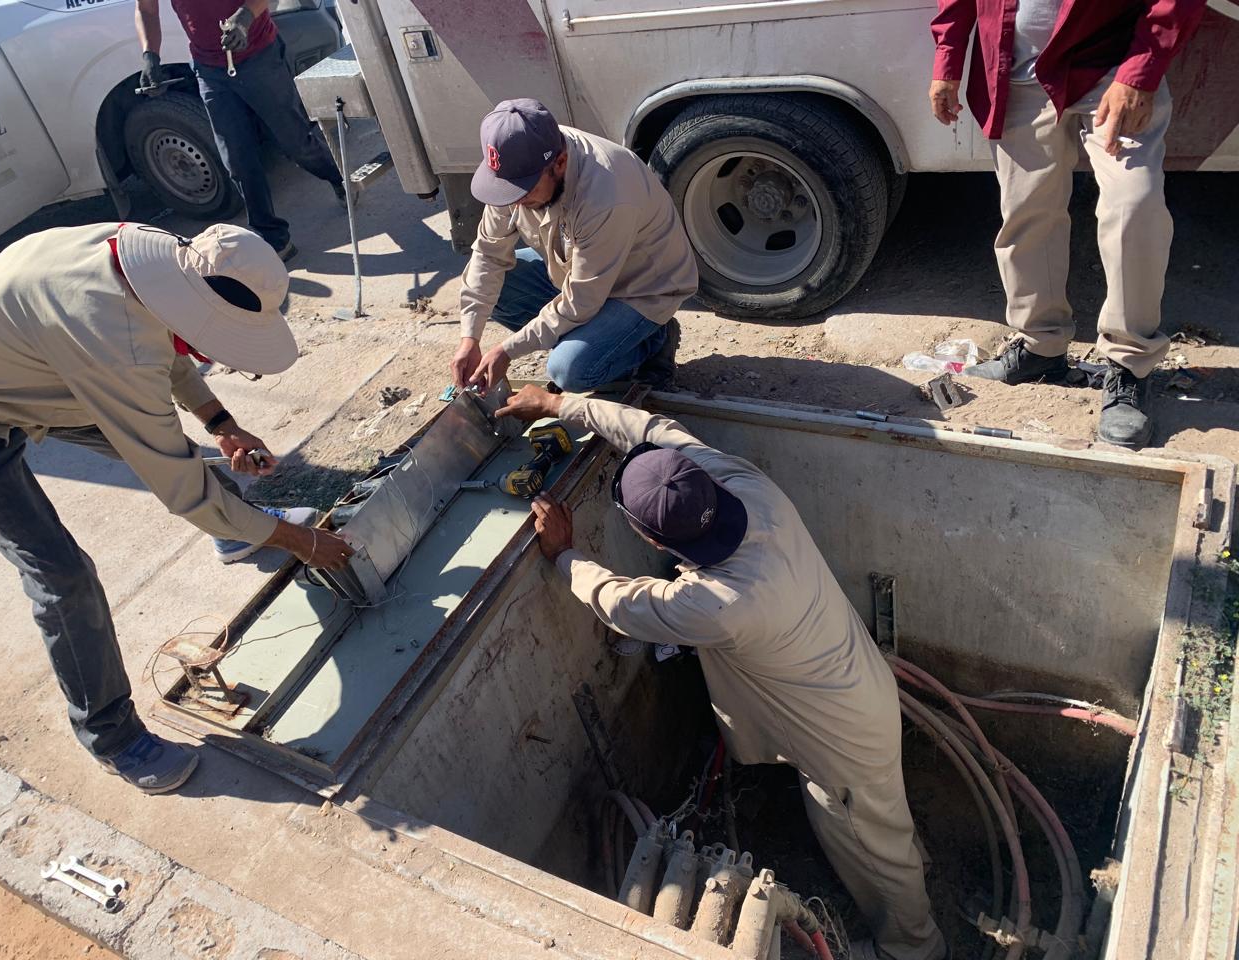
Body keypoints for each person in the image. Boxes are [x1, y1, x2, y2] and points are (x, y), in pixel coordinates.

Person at [497, 384, 947, 960]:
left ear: (652, 538)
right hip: (855, 693)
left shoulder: (720, 603)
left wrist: (565, 555)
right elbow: (653, 430)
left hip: (842, 742)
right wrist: (560, 404)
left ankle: (916, 948)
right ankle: (911, 868)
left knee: (871, 848)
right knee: (881, 826)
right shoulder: (744, 487)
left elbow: (621, 603)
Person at [0, 222, 356, 794]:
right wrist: (300, 541)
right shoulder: (110, 341)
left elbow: (159, 340)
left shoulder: (152, 266)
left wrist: (220, 423)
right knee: (62, 577)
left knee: (169, 447)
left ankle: (237, 532)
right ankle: (111, 736)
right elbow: (181, 485)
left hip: (30, 368)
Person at [929, 0, 1207, 448]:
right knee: (1025, 214)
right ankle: (1041, 347)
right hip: (1014, 74)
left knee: (1134, 207)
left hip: (1110, 67)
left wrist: (1140, 71)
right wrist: (948, 60)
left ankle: (1129, 365)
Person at [452, 99, 698, 395]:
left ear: (560, 163)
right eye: (506, 191)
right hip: (577, 272)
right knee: (499, 287)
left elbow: (582, 300)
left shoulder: (606, 193)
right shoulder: (518, 165)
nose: (513, 202)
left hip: (640, 288)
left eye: (523, 192)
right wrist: (470, 338)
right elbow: (488, 256)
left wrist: (506, 351)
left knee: (569, 370)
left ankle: (653, 341)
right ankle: (595, 338)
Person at [135, 0, 347, 261]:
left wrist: (245, 16)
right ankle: (272, 237)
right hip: (209, 69)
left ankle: (339, 179)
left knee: (294, 141)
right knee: (236, 158)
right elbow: (146, 9)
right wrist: (150, 56)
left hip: (259, 55)